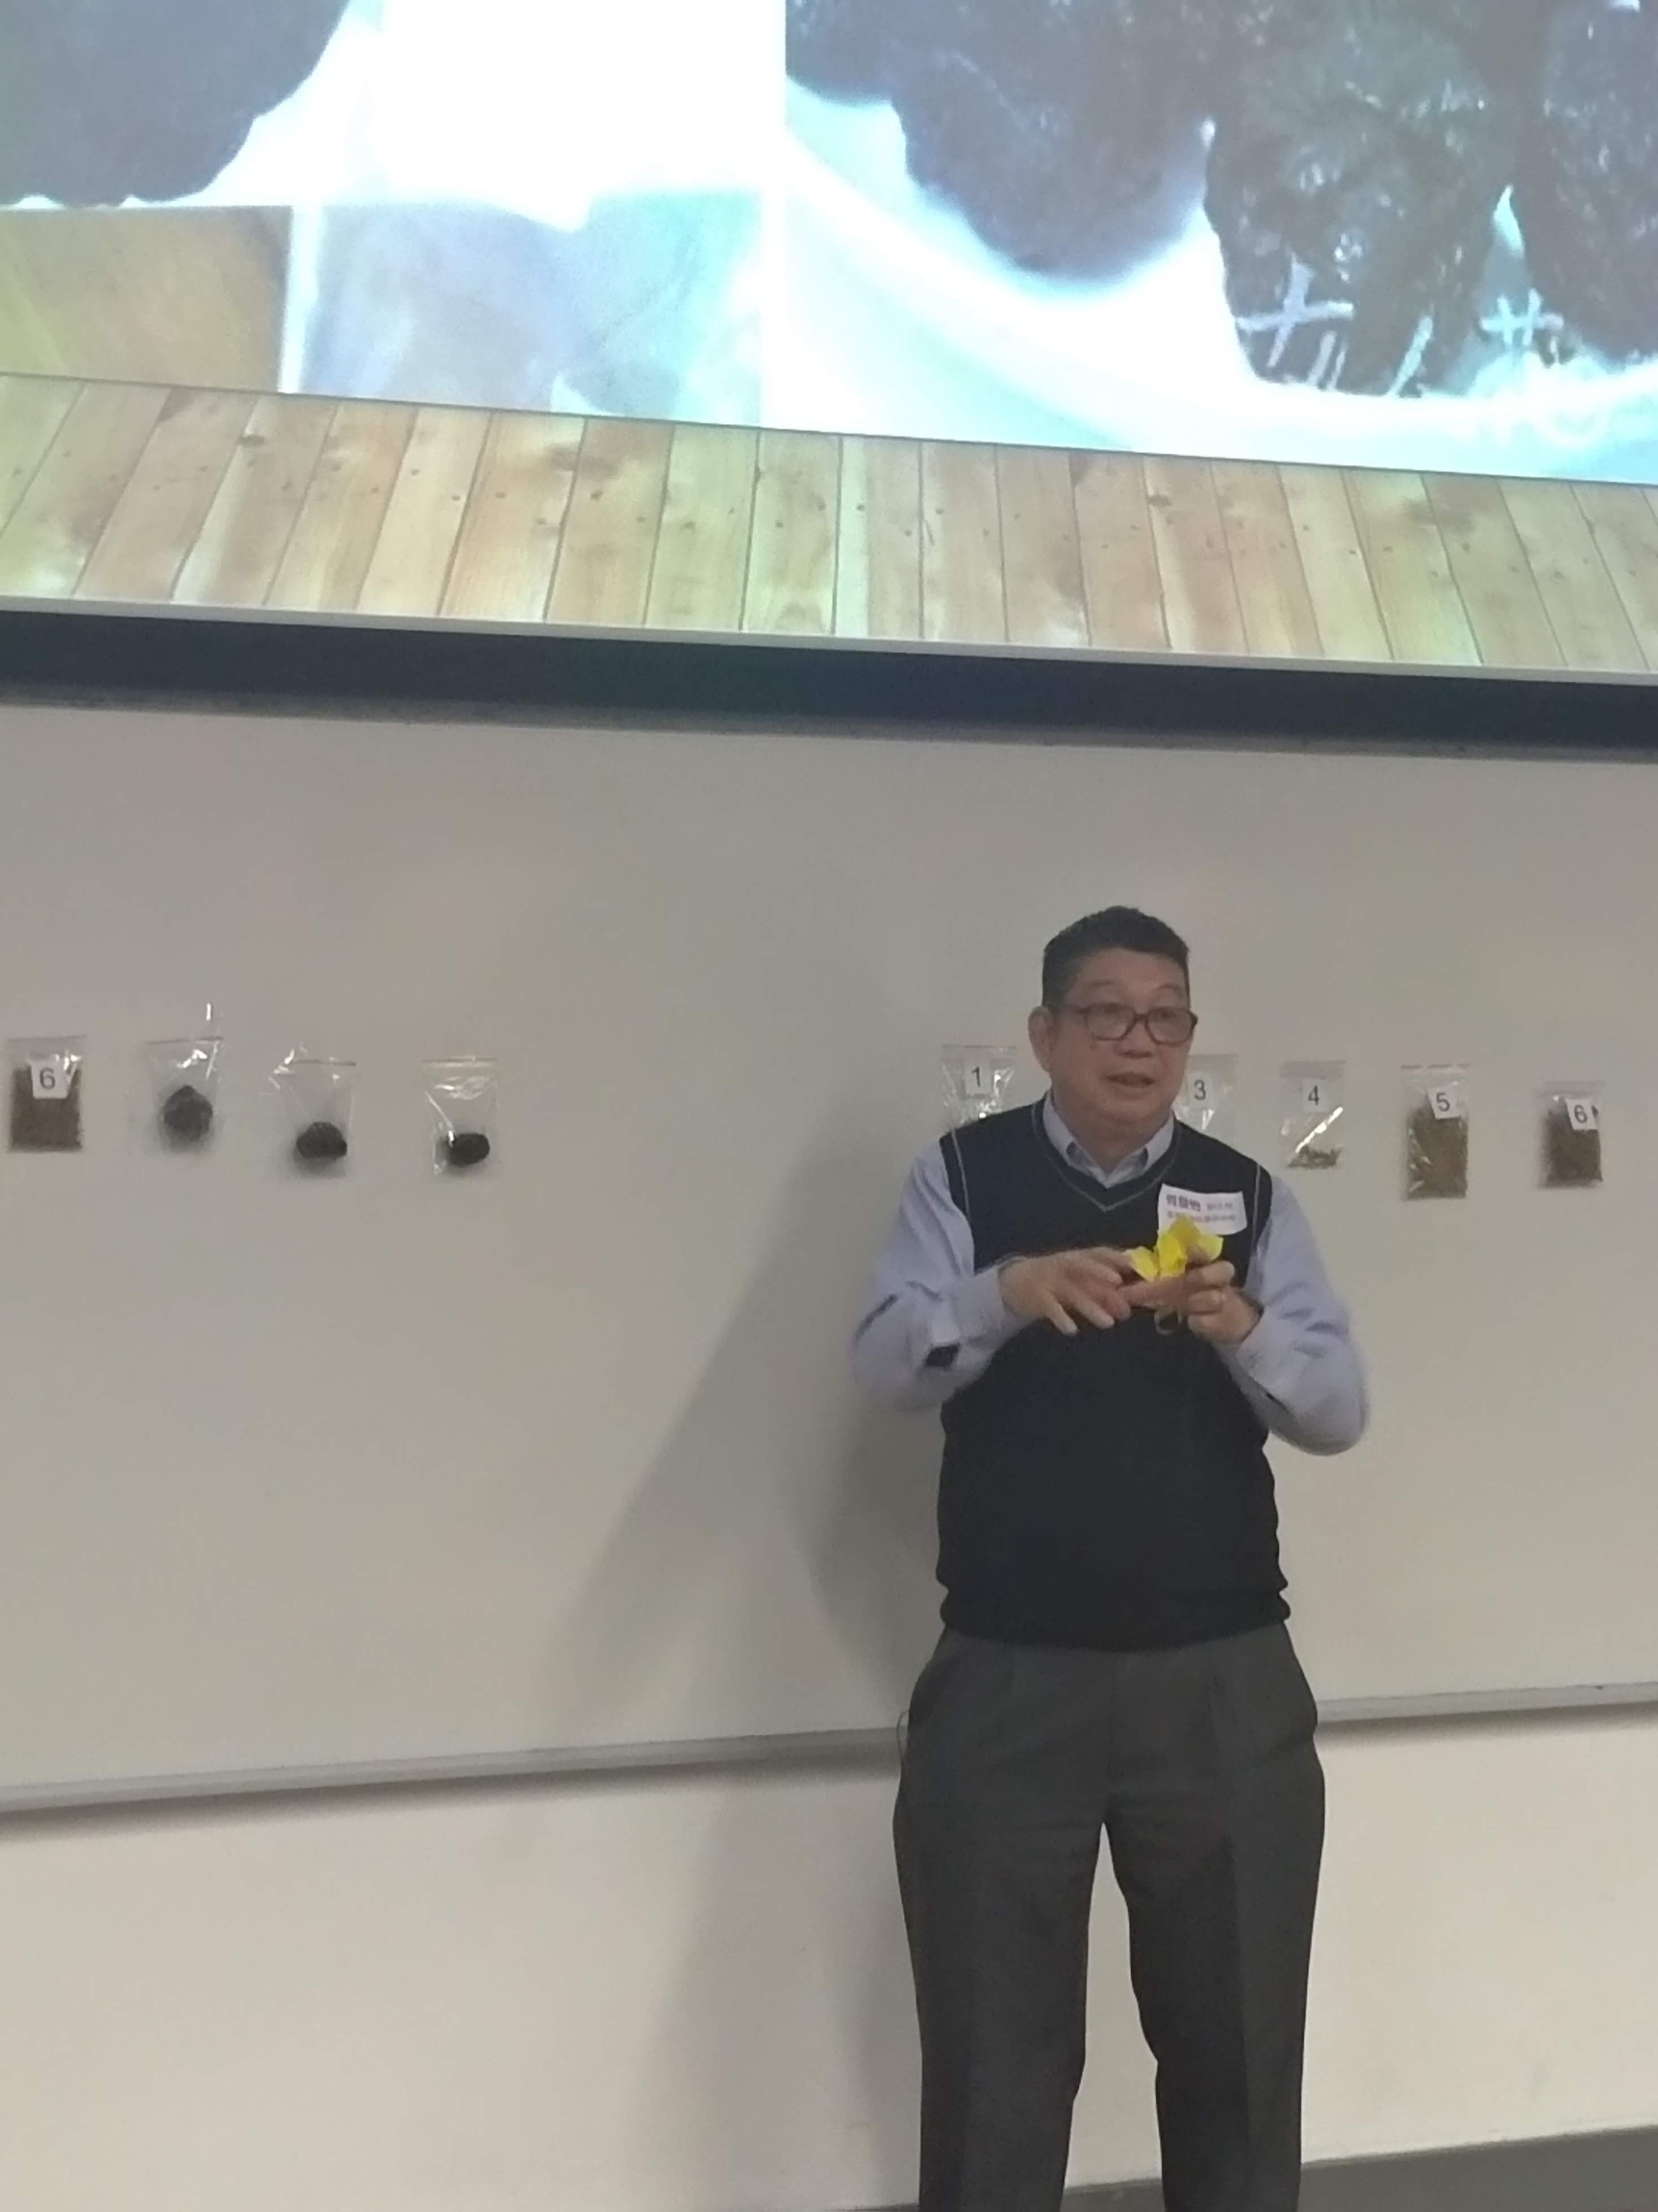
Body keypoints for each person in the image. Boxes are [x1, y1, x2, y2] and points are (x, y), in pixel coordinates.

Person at [852, 906, 1368, 2212]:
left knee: (1238, 2046)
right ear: (1045, 1034)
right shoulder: (961, 1179)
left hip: (1222, 1683)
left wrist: (1241, 1324)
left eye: (1165, 1018)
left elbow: (1336, 1409)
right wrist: (1003, 1293)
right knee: (993, 2061)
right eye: (1106, 1014)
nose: (1138, 1043)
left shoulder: (1249, 1196)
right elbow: (885, 1363)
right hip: (1008, 1679)